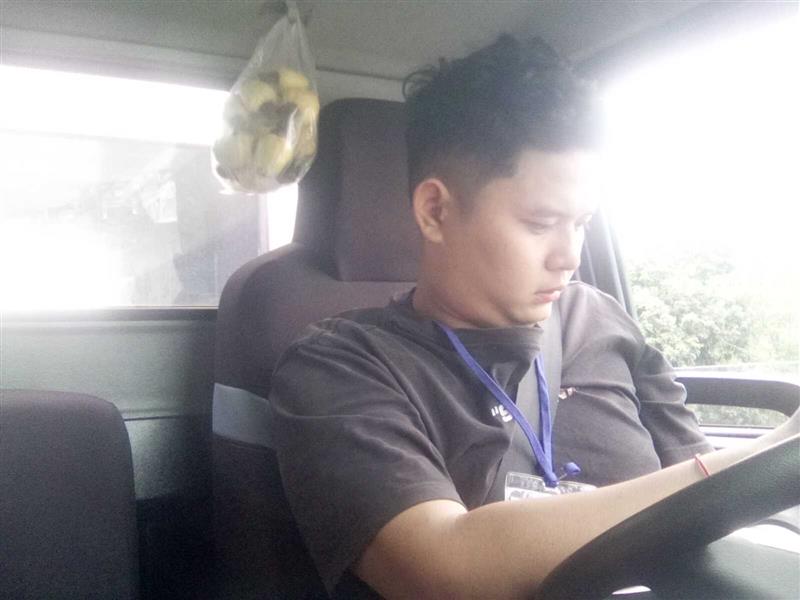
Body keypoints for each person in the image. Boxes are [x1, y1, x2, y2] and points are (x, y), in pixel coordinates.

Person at [269, 35, 799, 599]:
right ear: (435, 210)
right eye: (541, 224)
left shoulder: (600, 319)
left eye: (581, 224)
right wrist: (769, 452)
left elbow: (718, 509)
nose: (569, 257)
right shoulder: (338, 365)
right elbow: (442, 570)